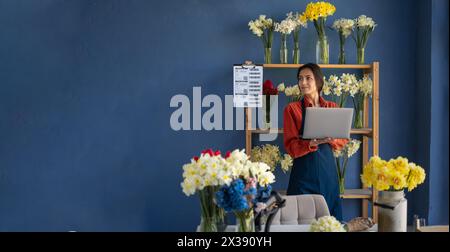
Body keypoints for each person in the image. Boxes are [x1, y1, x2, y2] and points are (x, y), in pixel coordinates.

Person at [283, 63, 348, 221]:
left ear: (318, 81)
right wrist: (311, 143)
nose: (303, 82)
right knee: (301, 222)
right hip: (303, 177)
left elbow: (343, 140)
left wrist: (333, 140)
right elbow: (291, 146)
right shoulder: (292, 109)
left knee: (331, 222)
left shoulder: (332, 107)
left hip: (328, 176)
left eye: (308, 78)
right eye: (300, 79)